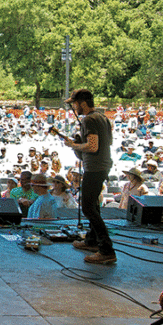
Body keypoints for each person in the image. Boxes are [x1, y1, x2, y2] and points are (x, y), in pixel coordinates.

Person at [64, 88, 117, 265]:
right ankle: (92, 241)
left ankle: (106, 250)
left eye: (75, 104)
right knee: (93, 204)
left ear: (83, 103)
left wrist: (74, 145)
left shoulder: (89, 120)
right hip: (102, 165)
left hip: (94, 168)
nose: (74, 107)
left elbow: (93, 147)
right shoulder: (102, 117)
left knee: (87, 207)